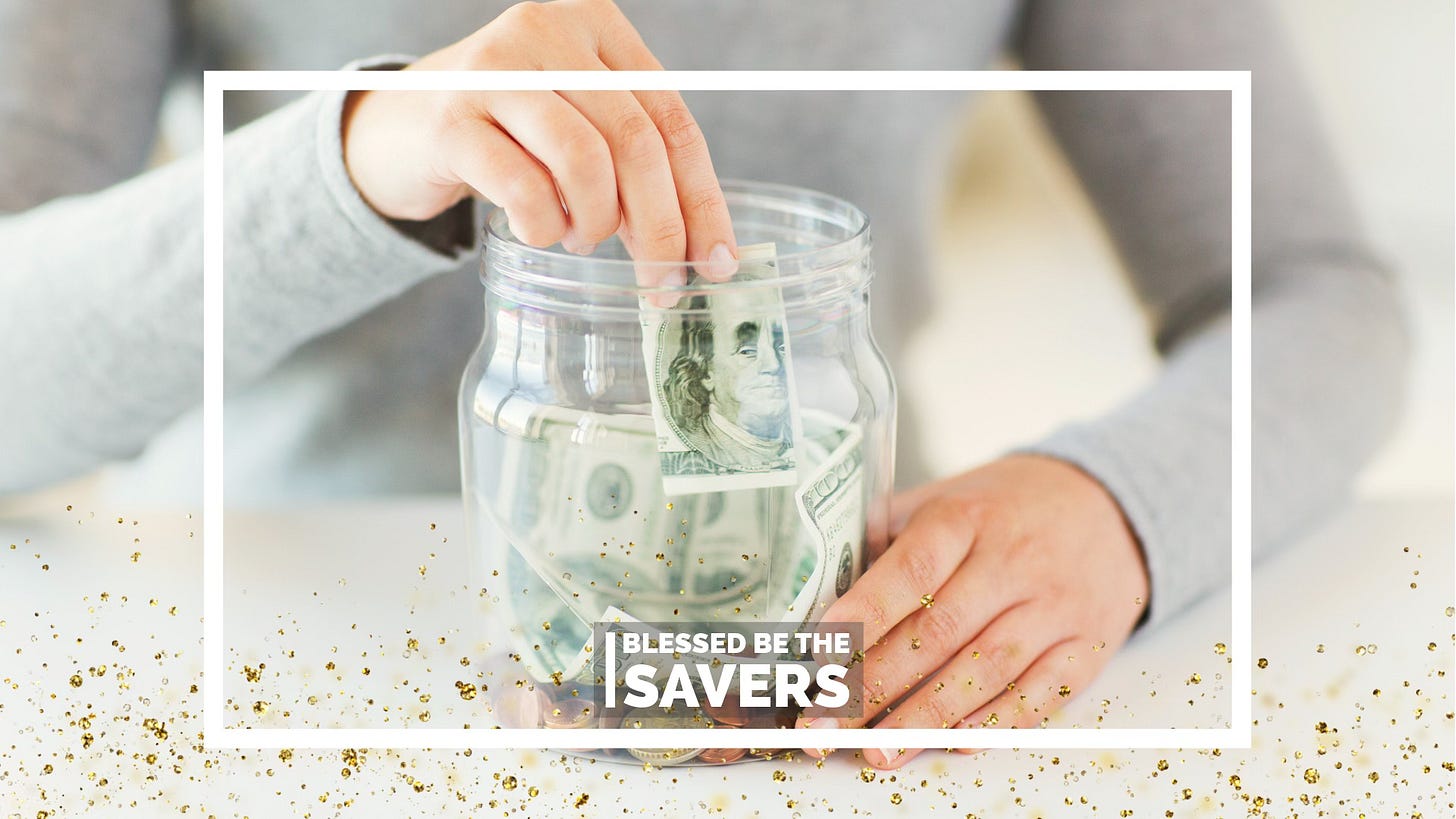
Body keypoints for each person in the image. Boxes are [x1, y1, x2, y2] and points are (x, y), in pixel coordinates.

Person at [0, 0, 1408, 769]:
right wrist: (353, 160)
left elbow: (1320, 288)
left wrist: (1115, 505)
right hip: (269, 676)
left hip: (842, 671)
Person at [662, 306, 793, 473]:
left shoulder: (807, 434)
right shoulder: (696, 450)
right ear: (705, 373)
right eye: (747, 351)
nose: (774, 365)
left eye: (782, 348)